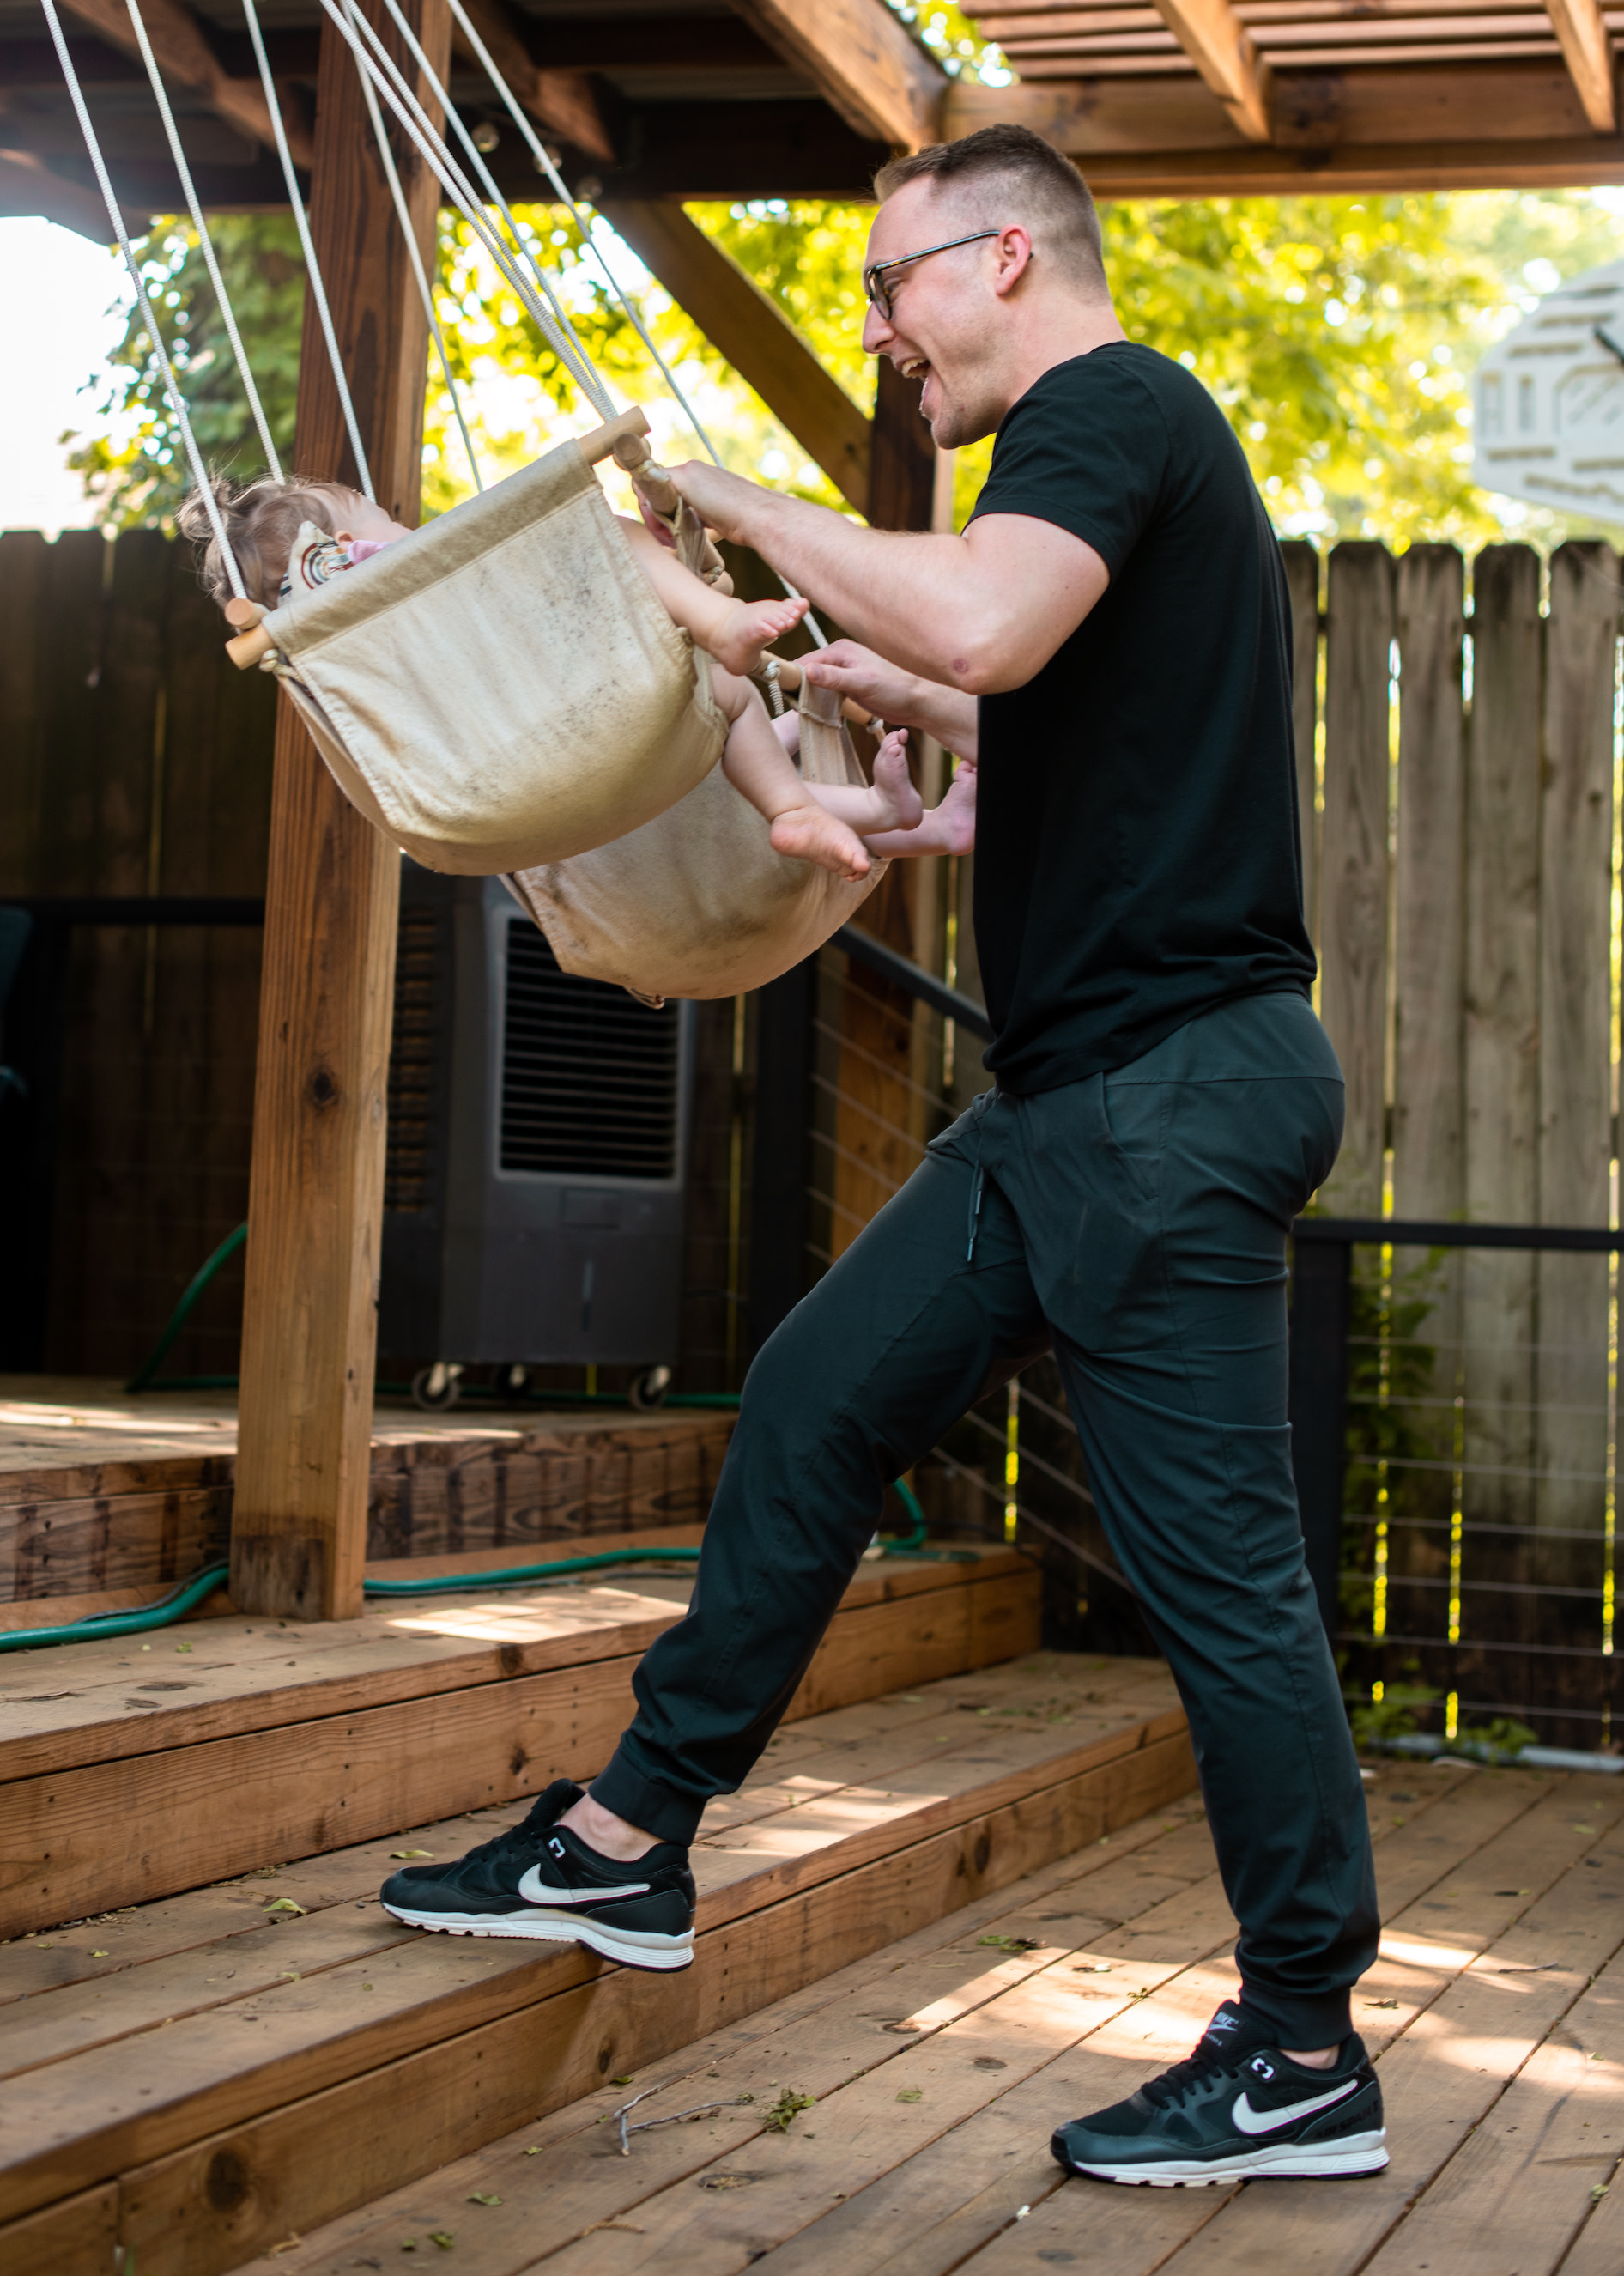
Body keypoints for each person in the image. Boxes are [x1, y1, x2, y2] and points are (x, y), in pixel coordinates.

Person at [379, 122, 1385, 2190]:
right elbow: (1066, 712)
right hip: (1068, 1110)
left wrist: (736, 500)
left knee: (1228, 1599)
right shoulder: (1123, 461)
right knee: (822, 1403)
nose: (884, 335)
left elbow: (998, 629)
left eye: (894, 291)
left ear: (1003, 256)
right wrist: (935, 757)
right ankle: (625, 1843)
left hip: (1168, 1103)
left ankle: (1302, 2047)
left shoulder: (1109, 407)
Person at [179, 475, 926, 881]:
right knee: (611, 536)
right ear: (342, 549)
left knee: (723, 727)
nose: (401, 525)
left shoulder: (343, 663)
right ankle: (721, 629)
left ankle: (810, 800)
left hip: (468, 790)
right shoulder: (392, 578)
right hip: (578, 709)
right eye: (381, 513)